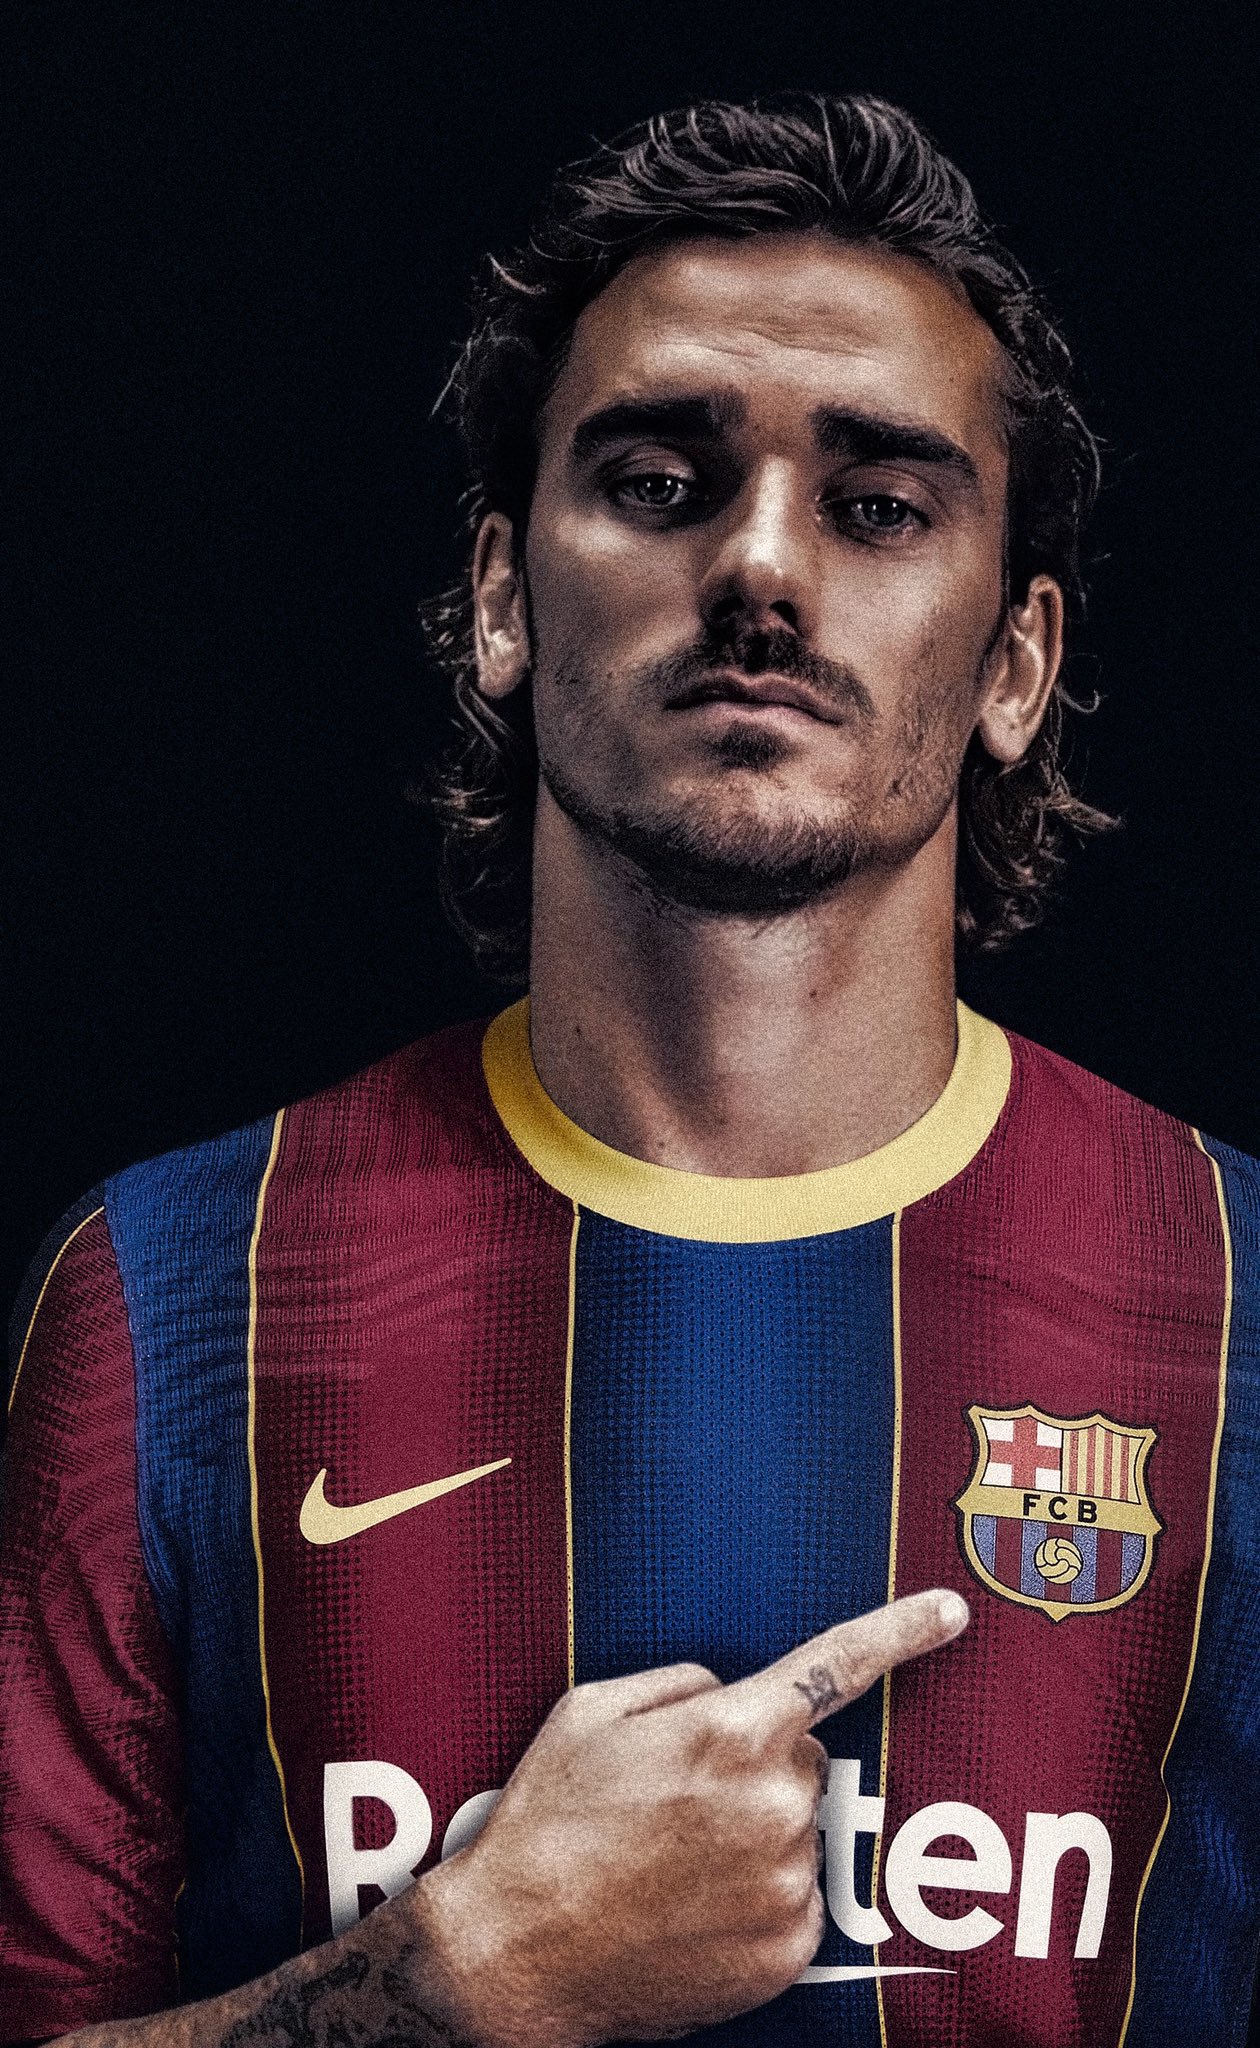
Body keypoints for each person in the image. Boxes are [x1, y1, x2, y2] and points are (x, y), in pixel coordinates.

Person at [2, 92, 1257, 2048]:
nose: (761, 567)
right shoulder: (174, 1301)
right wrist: (454, 1982)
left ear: (1016, 664)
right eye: (663, 483)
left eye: (878, 504)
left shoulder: (1239, 1306)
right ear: (505, 598)